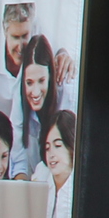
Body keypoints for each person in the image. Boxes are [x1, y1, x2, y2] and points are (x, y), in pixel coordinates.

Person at [8, 35, 66, 178]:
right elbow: (18, 156)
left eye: (41, 81)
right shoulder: (19, 93)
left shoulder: (65, 94)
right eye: (29, 83)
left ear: (50, 77)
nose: (35, 92)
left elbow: (67, 159)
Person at [30, 110, 79, 218]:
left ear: (72, 145)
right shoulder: (41, 172)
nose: (51, 154)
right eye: (47, 148)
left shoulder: (85, 179)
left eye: (57, 146)